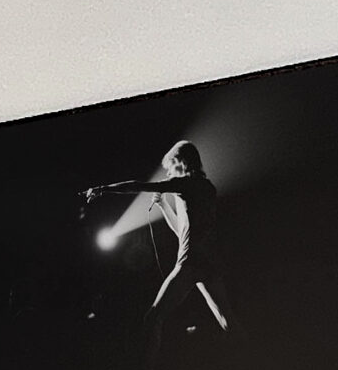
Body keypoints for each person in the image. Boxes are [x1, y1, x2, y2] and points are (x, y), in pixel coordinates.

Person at [85, 140, 233, 354]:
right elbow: (181, 232)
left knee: (153, 317)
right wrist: (164, 205)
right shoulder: (206, 187)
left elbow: (138, 185)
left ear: (180, 162)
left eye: (170, 166)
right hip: (208, 262)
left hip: (190, 263)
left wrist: (102, 189)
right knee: (225, 318)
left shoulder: (186, 185)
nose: (168, 172)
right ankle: (252, 360)